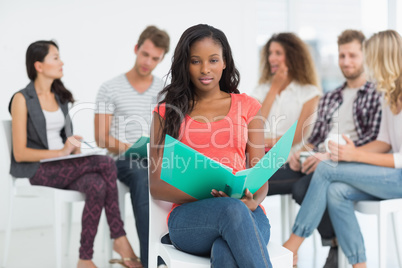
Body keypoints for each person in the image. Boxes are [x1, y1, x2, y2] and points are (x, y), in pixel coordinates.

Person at [9, 40, 141, 268]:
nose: (62, 62)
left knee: (97, 184)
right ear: (38, 66)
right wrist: (61, 151)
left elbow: (62, 137)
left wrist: (73, 149)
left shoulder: (59, 98)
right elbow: (20, 154)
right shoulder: (21, 99)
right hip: (38, 170)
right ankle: (119, 238)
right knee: (106, 162)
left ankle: (84, 259)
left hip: (63, 166)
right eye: (55, 57)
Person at [149, 24, 272, 267]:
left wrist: (254, 201)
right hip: (190, 220)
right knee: (230, 209)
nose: (205, 69)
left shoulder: (248, 106)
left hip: (247, 213)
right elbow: (156, 186)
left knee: (224, 250)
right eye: (195, 61)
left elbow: (261, 179)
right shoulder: (165, 112)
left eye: (213, 60)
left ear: (225, 62)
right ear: (185, 64)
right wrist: (211, 196)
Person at [283, 29, 402, 268]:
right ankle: (359, 265)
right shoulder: (390, 95)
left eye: (369, 58)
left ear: (382, 59)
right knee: (336, 191)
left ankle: (291, 246)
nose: (366, 65)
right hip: (391, 175)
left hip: (398, 176)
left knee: (326, 169)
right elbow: (384, 141)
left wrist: (353, 154)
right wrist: (347, 154)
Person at [94, 26, 170, 268]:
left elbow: (168, 133)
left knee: (178, 175)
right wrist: (132, 147)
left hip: (154, 157)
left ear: (162, 59)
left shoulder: (164, 91)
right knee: (142, 176)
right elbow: (100, 137)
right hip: (122, 160)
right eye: (145, 54)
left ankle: (175, 254)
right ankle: (152, 262)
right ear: (136, 49)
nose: (148, 62)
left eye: (155, 58)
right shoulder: (110, 88)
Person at [251, 32, 321, 155]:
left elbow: (296, 137)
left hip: (288, 159)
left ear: (292, 57)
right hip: (258, 157)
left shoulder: (309, 93)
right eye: (270, 53)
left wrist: (259, 143)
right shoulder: (261, 90)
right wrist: (274, 89)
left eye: (278, 53)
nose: (271, 58)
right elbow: (254, 128)